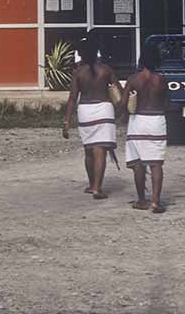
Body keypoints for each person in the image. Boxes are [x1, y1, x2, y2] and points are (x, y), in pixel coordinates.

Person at [63, 38, 122, 200]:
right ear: (97, 52)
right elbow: (119, 92)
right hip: (104, 110)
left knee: (89, 150)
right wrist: (123, 110)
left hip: (85, 111)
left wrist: (66, 121)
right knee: (100, 151)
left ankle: (91, 185)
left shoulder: (78, 72)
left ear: (81, 53)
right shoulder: (106, 70)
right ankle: (97, 188)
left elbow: (72, 98)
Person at [120, 42, 169, 213]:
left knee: (138, 163)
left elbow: (123, 103)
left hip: (138, 121)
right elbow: (167, 104)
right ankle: (155, 202)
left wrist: (124, 114)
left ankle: (141, 200)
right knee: (156, 164)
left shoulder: (133, 79)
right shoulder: (161, 80)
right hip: (156, 121)